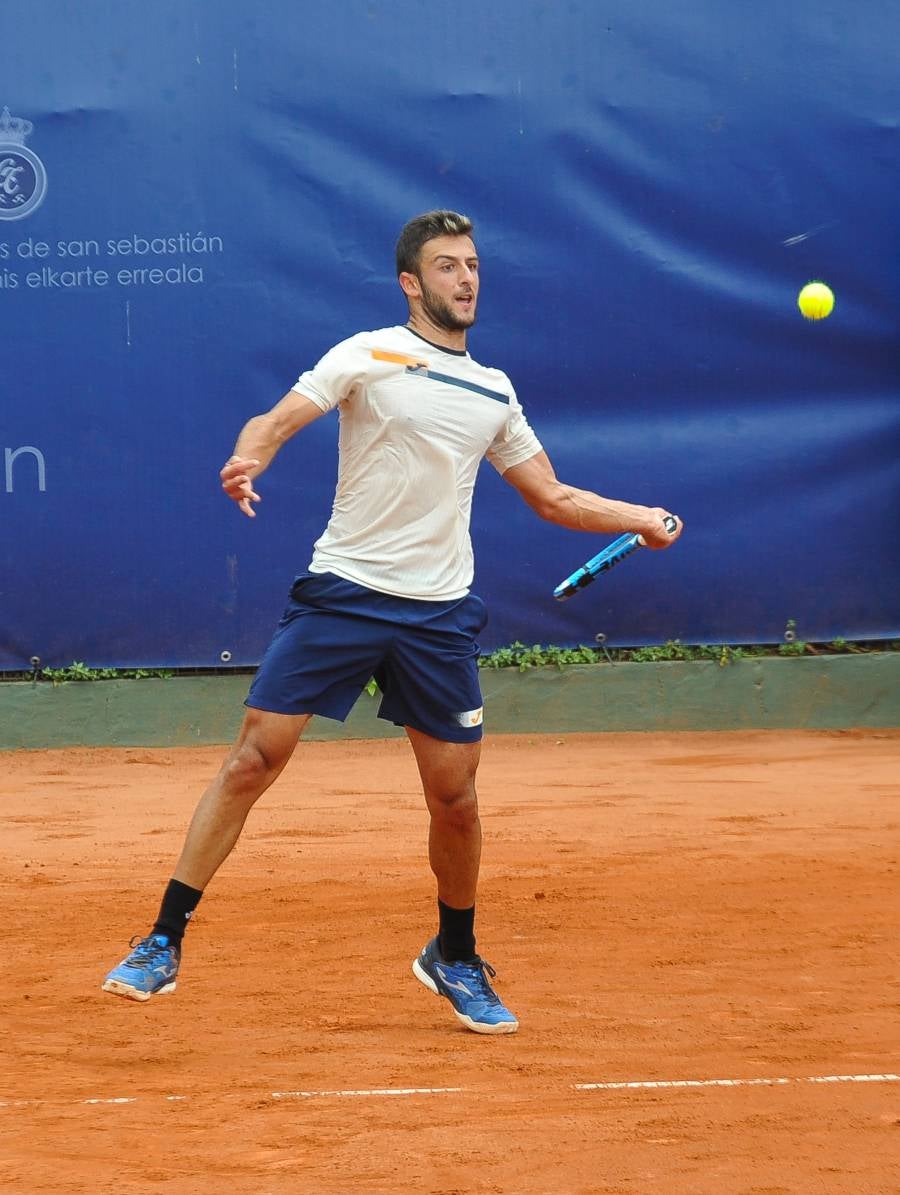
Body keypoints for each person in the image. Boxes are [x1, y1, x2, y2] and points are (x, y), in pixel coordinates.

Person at [102, 209, 682, 1034]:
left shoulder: (494, 390)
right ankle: (161, 939)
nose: (467, 278)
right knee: (252, 760)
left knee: (456, 798)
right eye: (448, 266)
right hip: (344, 591)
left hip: (438, 615)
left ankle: (454, 953)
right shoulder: (366, 353)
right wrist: (250, 457)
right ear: (412, 283)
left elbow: (552, 495)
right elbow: (277, 420)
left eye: (474, 264)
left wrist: (638, 515)